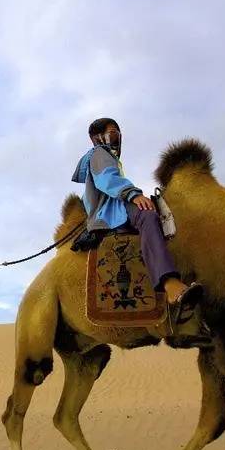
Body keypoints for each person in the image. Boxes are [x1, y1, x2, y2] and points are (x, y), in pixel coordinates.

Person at [72, 117, 202, 320]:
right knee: (148, 216)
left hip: (115, 208)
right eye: (112, 132)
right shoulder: (99, 153)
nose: (117, 136)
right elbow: (107, 179)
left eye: (117, 132)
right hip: (111, 213)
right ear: (97, 138)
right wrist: (133, 194)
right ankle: (170, 284)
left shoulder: (109, 157)